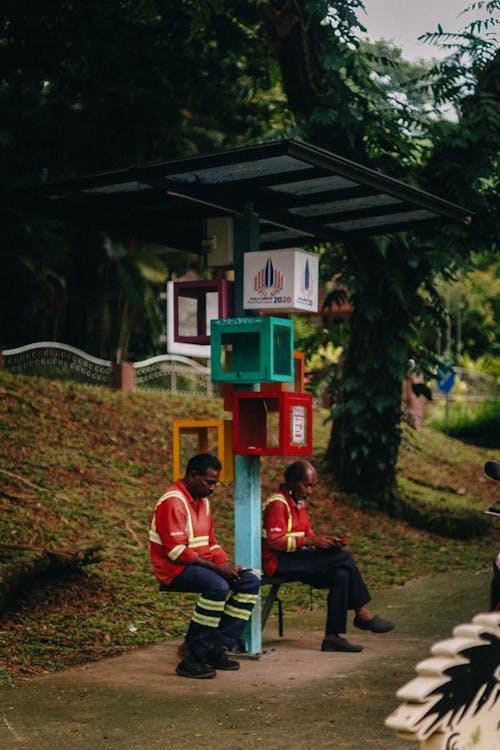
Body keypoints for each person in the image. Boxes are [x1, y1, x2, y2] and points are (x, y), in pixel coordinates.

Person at [262, 460, 394, 652]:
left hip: (297, 557)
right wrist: (310, 542)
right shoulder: (278, 504)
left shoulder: (298, 502)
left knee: (340, 574)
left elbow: (307, 535)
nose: (309, 491)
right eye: (306, 485)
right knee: (344, 557)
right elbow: (274, 541)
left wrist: (325, 543)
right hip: (277, 562)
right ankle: (361, 611)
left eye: (312, 486)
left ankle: (332, 637)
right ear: (291, 481)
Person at [149, 453, 259, 679]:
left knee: (250, 580)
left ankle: (216, 647)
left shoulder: (203, 502)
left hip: (200, 565)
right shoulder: (173, 502)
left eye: (215, 482)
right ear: (192, 476)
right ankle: (193, 655)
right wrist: (216, 569)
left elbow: (211, 542)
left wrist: (226, 564)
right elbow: (176, 552)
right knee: (217, 585)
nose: (213, 488)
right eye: (210, 482)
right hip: (173, 569)